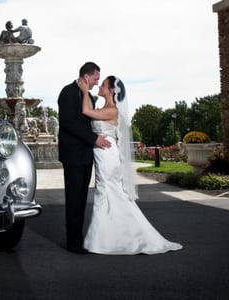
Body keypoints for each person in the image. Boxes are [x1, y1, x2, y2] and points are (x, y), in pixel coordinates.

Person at [78, 75, 183, 255]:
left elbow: (86, 111)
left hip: (108, 155)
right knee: (106, 191)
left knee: (106, 191)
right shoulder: (104, 107)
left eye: (103, 85)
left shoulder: (112, 110)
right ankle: (108, 236)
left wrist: (85, 91)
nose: (100, 86)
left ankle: (104, 239)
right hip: (102, 154)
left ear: (111, 90)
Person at [57, 62, 111, 254]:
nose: (97, 83)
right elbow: (69, 123)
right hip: (73, 156)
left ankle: (78, 240)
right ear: (86, 76)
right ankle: (73, 243)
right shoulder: (68, 92)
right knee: (74, 199)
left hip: (86, 155)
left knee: (80, 200)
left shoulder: (89, 97)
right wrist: (94, 138)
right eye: (96, 78)